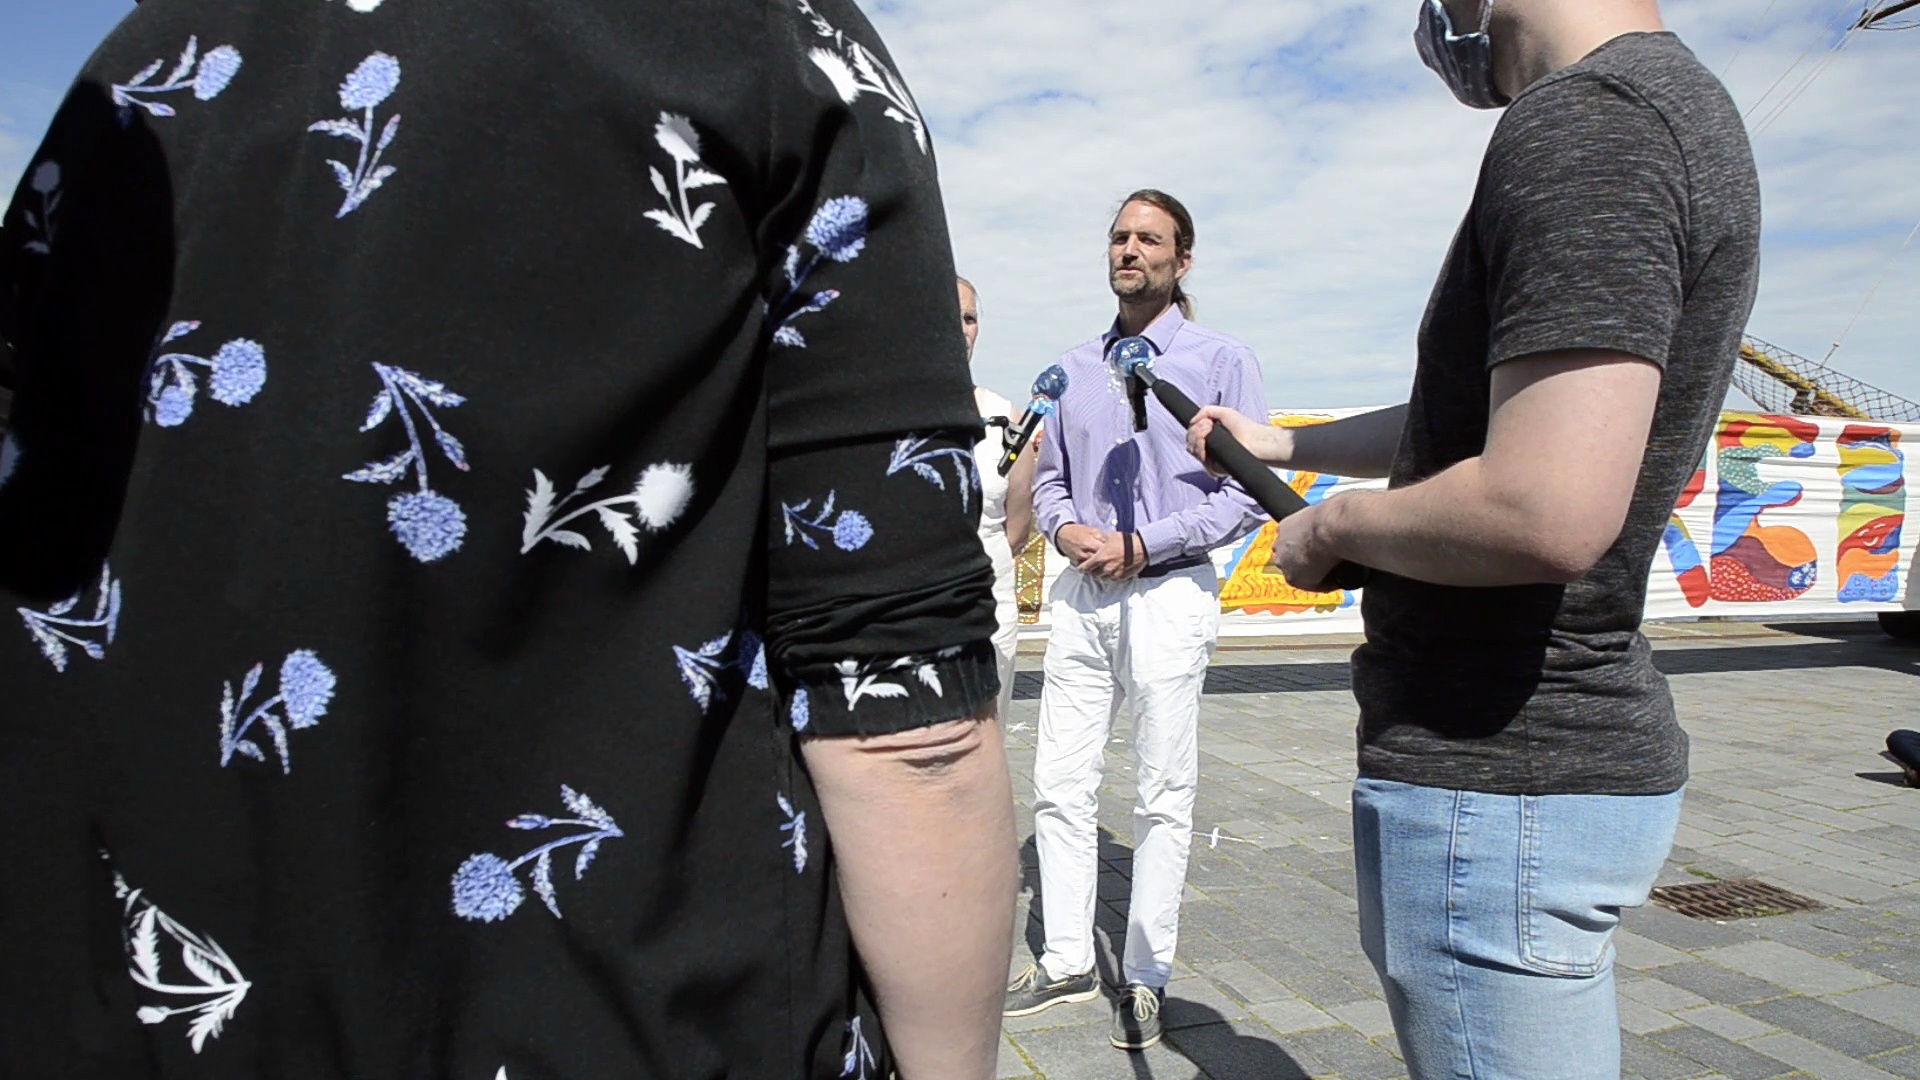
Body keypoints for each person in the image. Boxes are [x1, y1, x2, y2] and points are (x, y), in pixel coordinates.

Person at [0, 1, 1017, 1076]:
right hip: (629, 1014)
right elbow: (907, 721)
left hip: (114, 1003)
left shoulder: (139, 68)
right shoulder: (773, 50)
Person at [1187, 1, 1761, 1075]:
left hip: (1499, 780)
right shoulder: (1670, 107)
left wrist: (1332, 526)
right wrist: (1283, 444)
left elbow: (1544, 505)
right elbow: (1501, 420)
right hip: (1536, 777)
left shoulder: (1591, 120)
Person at [1004, 190, 1267, 1052]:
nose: (1129, 249)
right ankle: (1068, 960)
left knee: (1162, 792)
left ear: (1182, 260)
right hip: (1084, 596)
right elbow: (1049, 478)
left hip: (1167, 594)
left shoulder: (1223, 360)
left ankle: (1147, 974)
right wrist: (1063, 529)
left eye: (1149, 239)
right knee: (1059, 783)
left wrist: (1146, 543)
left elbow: (1245, 495)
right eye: (1119, 236)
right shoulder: (1072, 368)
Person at [959, 276, 1036, 730]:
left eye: (969, 318)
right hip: (909, 615)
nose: (960, 328)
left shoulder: (1006, 418)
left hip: (988, 608)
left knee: (985, 737)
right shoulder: (888, 416)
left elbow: (1017, 527)